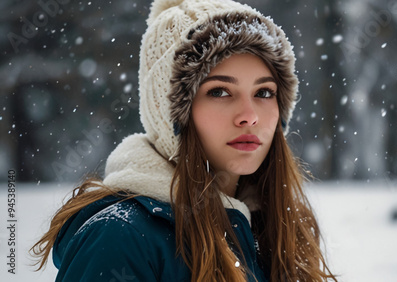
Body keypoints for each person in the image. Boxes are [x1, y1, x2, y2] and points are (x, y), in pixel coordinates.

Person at [31, 0, 337, 281]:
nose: (249, 116)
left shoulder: (275, 230)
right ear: (170, 114)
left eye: (264, 93)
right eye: (219, 91)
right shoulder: (121, 238)